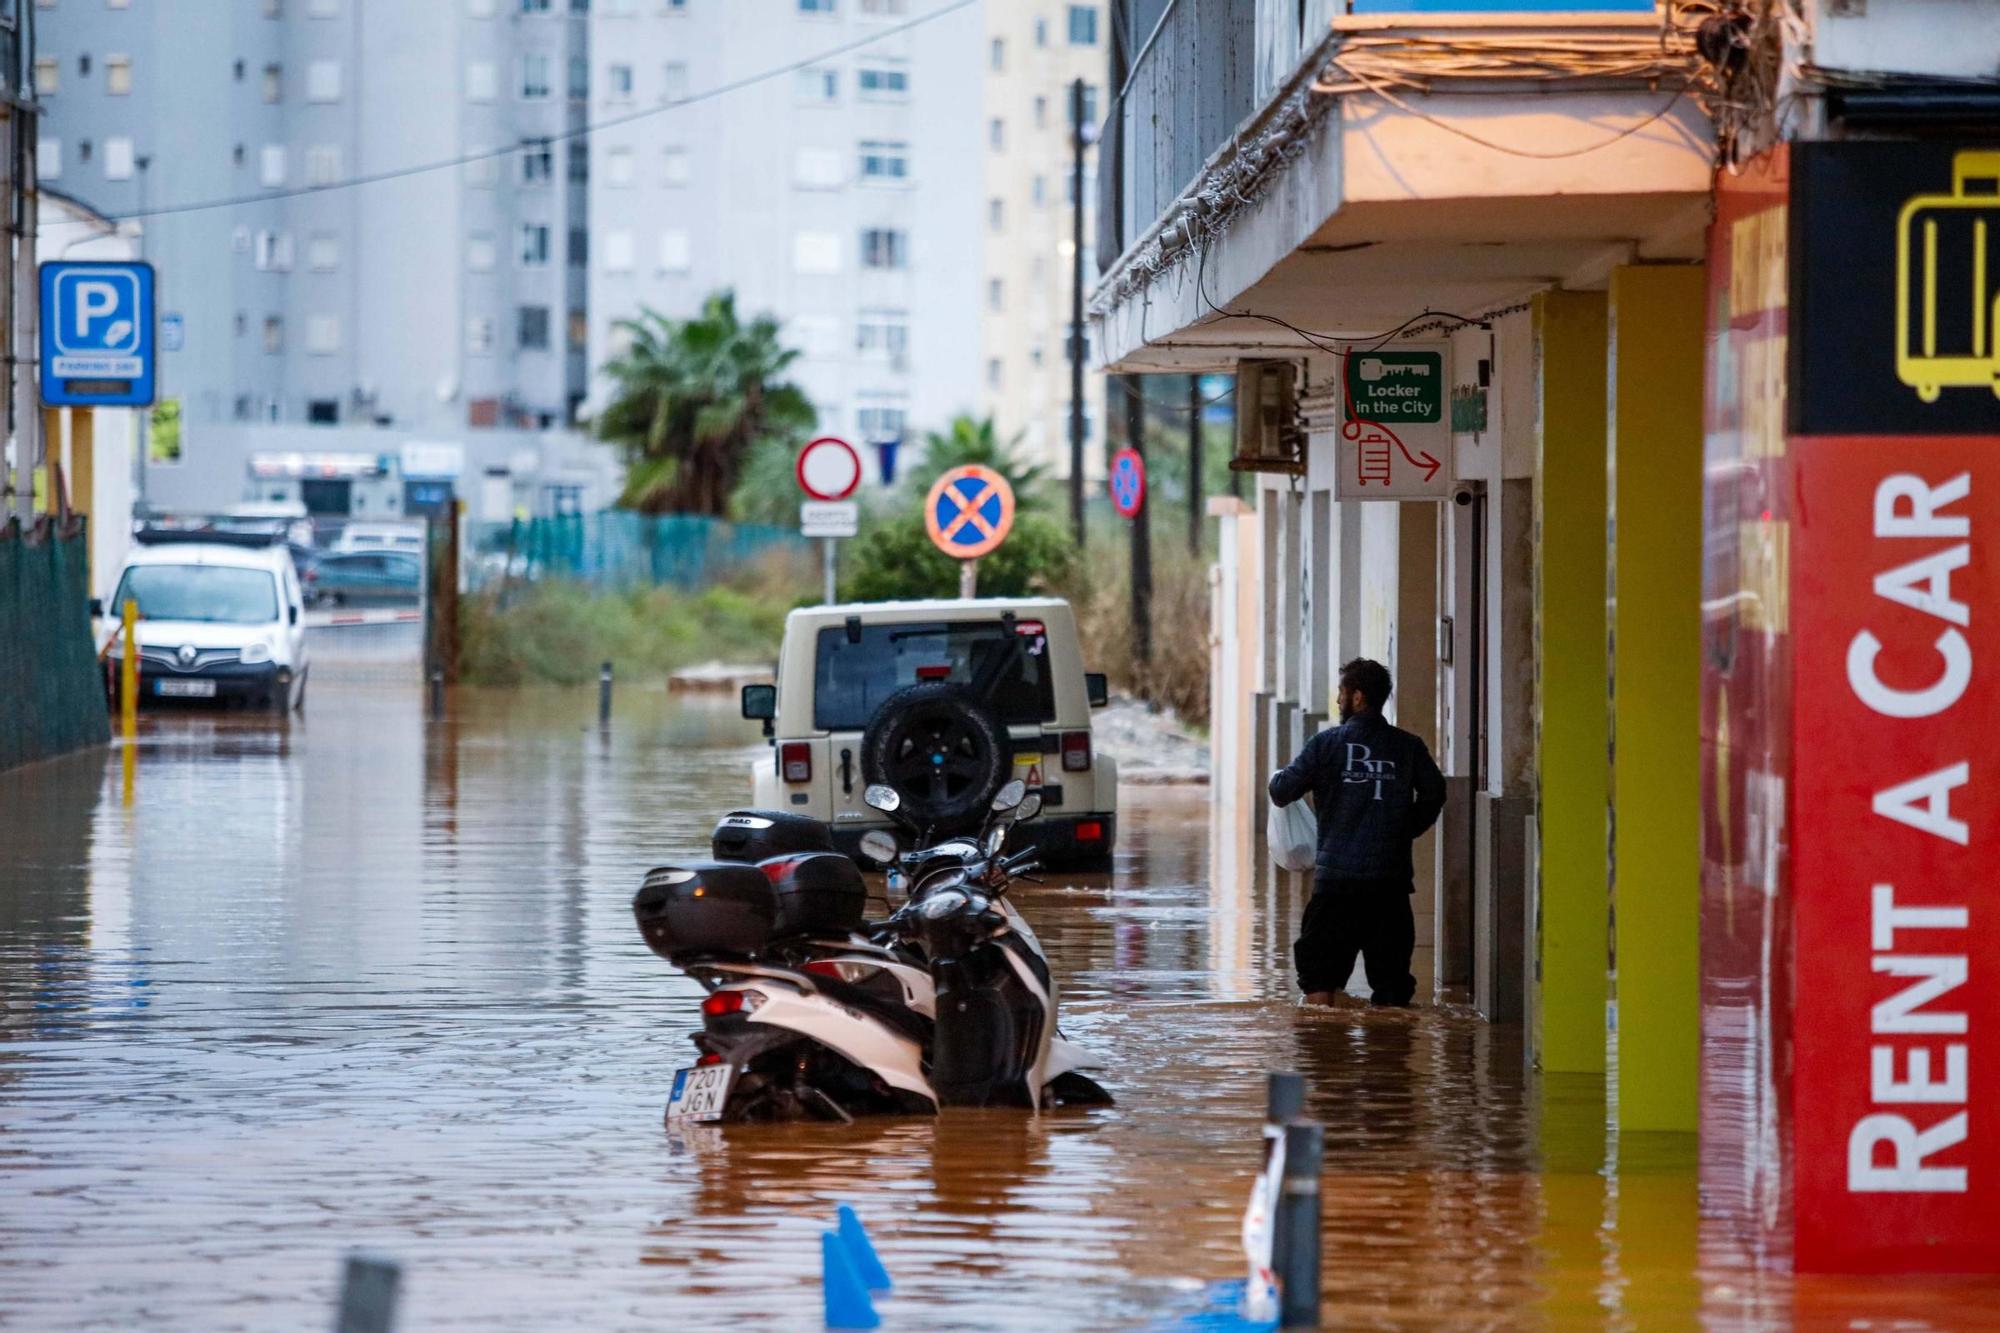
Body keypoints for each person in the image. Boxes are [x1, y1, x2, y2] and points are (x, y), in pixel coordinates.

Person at [1269, 658, 1446, 1007]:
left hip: (1336, 885)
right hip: (1389, 883)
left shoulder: (1326, 745)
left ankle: (1324, 1052)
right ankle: (1389, 1056)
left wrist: (1277, 776)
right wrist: (1404, 829)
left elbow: (1282, 791)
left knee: (1319, 977)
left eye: (1341, 694)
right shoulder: (1408, 747)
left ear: (1358, 697)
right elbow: (1435, 793)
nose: (1338, 701)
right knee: (1392, 987)